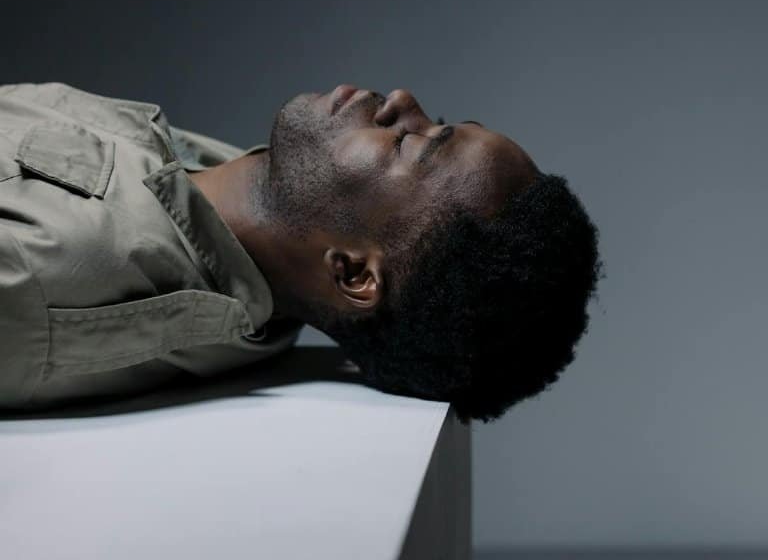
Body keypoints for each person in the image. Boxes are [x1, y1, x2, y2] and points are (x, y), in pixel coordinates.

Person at [0, 81, 601, 422]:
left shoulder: (41, 274)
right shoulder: (234, 195)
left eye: (411, 144)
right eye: (431, 117)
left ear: (353, 273)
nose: (400, 99)